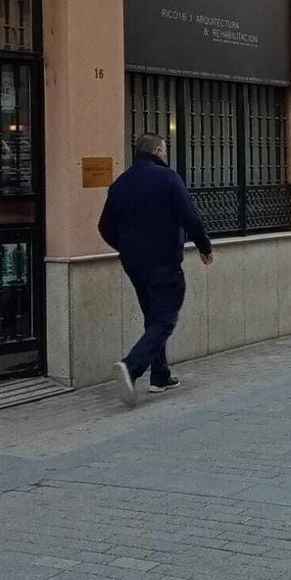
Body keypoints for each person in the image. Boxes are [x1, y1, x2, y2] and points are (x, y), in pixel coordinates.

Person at [97, 132, 213, 407]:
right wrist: (204, 247)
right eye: (165, 150)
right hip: (164, 262)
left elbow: (104, 227)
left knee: (153, 317)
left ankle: (160, 376)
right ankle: (132, 366)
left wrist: (126, 247)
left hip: (134, 264)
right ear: (159, 151)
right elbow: (189, 216)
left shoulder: (120, 184)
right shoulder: (168, 178)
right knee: (165, 319)